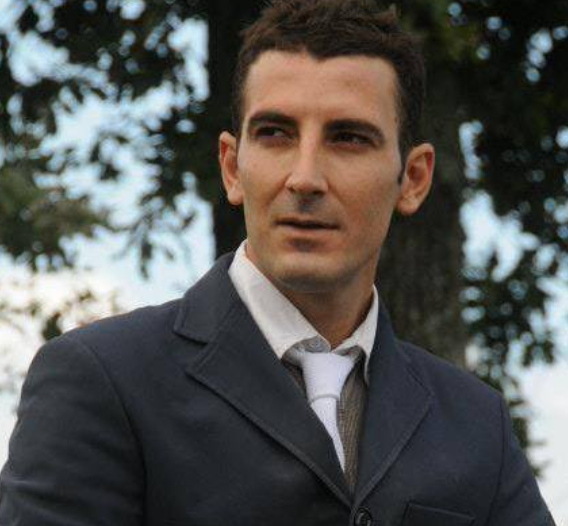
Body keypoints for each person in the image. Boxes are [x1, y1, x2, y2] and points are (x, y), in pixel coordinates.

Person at [0, 0, 555, 525]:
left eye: (348, 138)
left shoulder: (477, 423)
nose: (305, 178)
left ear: (412, 179)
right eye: (274, 133)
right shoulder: (102, 380)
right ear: (232, 167)